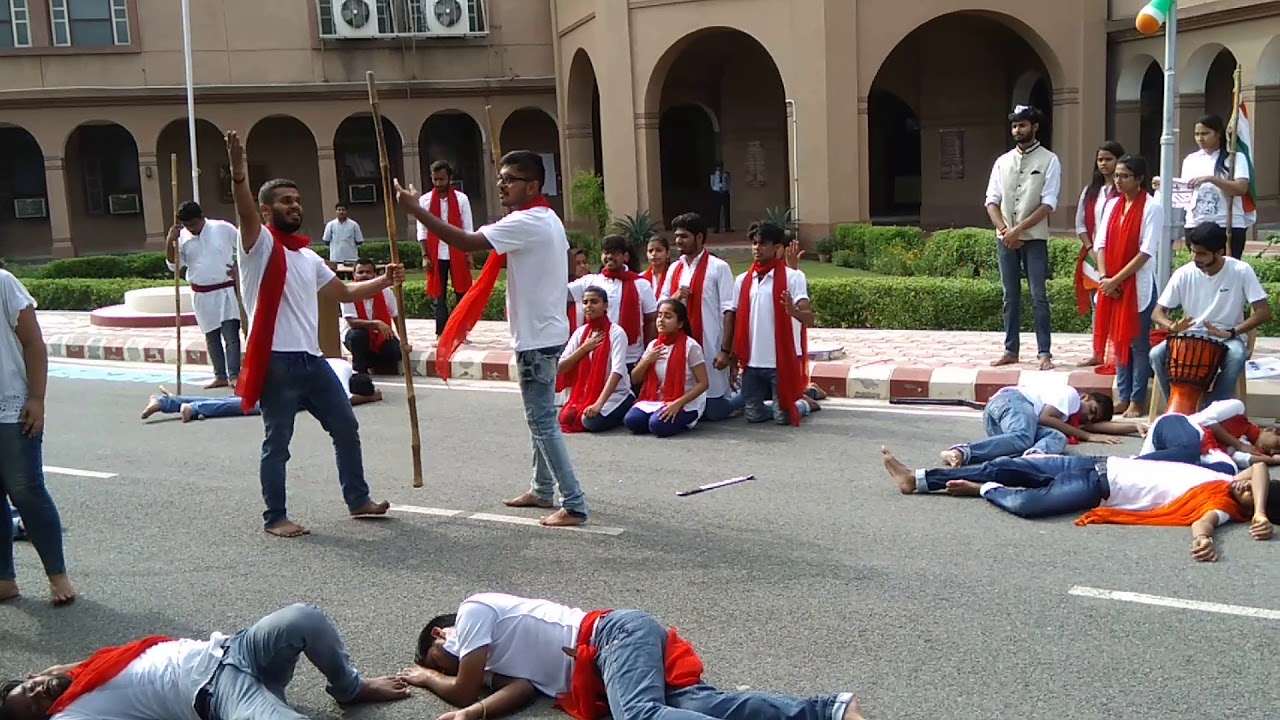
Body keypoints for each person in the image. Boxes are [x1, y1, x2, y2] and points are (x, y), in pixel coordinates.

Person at [393, 150, 589, 528]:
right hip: (545, 330)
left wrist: (415, 209)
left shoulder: (528, 221)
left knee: (542, 421)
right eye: (500, 177)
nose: (502, 184)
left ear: (533, 186)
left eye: (510, 178)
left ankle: (574, 502)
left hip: (537, 336)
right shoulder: (545, 219)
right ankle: (542, 488)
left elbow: (465, 243)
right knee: (540, 418)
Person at [223, 130, 401, 539]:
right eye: (286, 201)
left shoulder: (306, 255)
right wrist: (238, 174)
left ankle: (358, 500)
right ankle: (275, 517)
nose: (295, 206)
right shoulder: (257, 246)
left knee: (346, 427)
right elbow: (244, 210)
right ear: (267, 211)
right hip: (276, 361)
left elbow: (343, 292)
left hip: (311, 360)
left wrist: (385, 282)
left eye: (298, 200)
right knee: (278, 443)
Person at [399, 592, 868, 720]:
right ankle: (830, 709)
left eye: (442, 658)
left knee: (641, 717)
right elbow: (518, 691)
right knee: (699, 707)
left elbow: (459, 687)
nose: (457, 669)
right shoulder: (498, 663)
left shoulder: (473, 611)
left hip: (613, 637)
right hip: (613, 658)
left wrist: (426, 679)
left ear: (442, 634)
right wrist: (475, 713)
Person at [0, 603, 411, 720]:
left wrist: (55, 672)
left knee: (305, 619)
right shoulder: (73, 714)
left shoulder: (82, 673)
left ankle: (349, 687)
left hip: (233, 651)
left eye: (29, 688)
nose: (40, 694)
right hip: (216, 694)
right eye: (35, 706)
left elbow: (54, 676)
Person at [882, 448, 1276, 562]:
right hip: (1095, 464)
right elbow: (1259, 466)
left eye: (1244, 493)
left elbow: (1204, 524)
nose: (1241, 486)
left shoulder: (1223, 504)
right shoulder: (1229, 474)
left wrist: (1203, 541)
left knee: (1028, 505)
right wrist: (1259, 507)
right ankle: (916, 479)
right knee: (1008, 465)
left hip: (1094, 489)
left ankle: (981, 490)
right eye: (1246, 489)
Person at [0, 269, 74, 606]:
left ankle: (57, 576)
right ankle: (4, 579)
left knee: (26, 491)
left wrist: (37, 398)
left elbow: (33, 342)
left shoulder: (3, 282)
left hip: (10, 409)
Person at [1149, 222, 1272, 408]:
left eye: (1201, 254)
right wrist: (1171, 326)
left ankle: (1210, 410)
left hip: (1227, 336)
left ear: (1219, 252)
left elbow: (1264, 312)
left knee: (1237, 356)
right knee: (1156, 354)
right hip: (1191, 336)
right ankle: (1177, 406)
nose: (1195, 257)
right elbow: (1157, 313)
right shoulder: (1184, 273)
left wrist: (1232, 332)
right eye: (1193, 251)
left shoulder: (1240, 270)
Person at [984, 105, 1062, 371]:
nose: (1018, 130)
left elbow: (1048, 203)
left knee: (1038, 295)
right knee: (1010, 295)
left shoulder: (1049, 160)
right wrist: (1006, 231)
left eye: (1023, 125)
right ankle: (1010, 349)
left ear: (1035, 127)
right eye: (1015, 126)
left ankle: (1044, 353)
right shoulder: (1002, 162)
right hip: (1005, 238)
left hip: (1034, 238)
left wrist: (1020, 230)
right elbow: (991, 201)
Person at [727, 222, 819, 426]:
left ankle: (804, 404)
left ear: (777, 248)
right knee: (753, 415)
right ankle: (797, 398)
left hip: (781, 360)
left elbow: (809, 318)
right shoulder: (743, 280)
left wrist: (792, 311)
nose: (756, 248)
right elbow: (734, 317)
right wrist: (732, 355)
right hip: (752, 361)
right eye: (754, 243)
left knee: (783, 418)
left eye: (763, 244)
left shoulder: (793, 277)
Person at [1093, 154, 1162, 418]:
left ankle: (1137, 399)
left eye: (1124, 176)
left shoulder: (1151, 207)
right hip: (1110, 282)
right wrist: (1104, 278)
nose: (1118, 180)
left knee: (1137, 344)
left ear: (1140, 179)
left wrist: (1115, 280)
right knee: (1118, 340)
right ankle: (1122, 396)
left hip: (1136, 285)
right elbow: (1100, 244)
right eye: (1117, 175)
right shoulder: (1111, 205)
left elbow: (1145, 252)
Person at [658, 212, 740, 421]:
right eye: (677, 236)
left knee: (713, 411)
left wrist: (725, 350)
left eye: (684, 236)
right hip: (682, 346)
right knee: (687, 403)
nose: (678, 241)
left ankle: (750, 396)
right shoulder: (675, 268)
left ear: (700, 237)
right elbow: (662, 303)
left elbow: (729, 310)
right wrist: (676, 297)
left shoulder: (718, 267)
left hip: (711, 346)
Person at [141, 358, 382, 422]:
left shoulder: (343, 365)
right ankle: (192, 407)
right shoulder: (340, 380)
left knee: (242, 400)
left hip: (286, 377)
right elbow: (347, 401)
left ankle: (167, 402)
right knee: (248, 406)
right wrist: (372, 397)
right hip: (289, 390)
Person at [939, 385, 1119, 467]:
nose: (1087, 416)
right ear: (1085, 397)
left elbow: (1096, 428)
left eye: (1091, 418)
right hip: (1013, 401)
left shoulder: (1067, 417)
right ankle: (961, 452)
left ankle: (1032, 458)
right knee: (1024, 436)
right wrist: (1086, 436)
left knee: (1056, 437)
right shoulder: (1071, 396)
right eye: (1092, 410)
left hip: (1003, 422)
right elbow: (1045, 417)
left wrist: (1138, 427)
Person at [166, 201, 243, 389]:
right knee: (211, 336)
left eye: (194, 224)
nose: (191, 229)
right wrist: (170, 241)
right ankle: (220, 375)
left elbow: (244, 248)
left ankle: (234, 374)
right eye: (187, 226)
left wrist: (238, 268)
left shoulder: (222, 228)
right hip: (201, 293)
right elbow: (174, 265)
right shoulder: (182, 236)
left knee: (230, 333)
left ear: (202, 217)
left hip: (224, 290)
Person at [568, 234, 659, 389]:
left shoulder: (641, 284)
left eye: (615, 253)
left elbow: (651, 320)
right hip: (598, 355)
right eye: (606, 252)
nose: (609, 256)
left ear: (625, 256)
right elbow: (561, 293)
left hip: (631, 357)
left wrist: (646, 353)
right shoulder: (592, 281)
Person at [625, 298, 710, 437]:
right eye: (659, 315)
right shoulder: (653, 345)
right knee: (632, 421)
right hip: (655, 400)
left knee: (657, 425)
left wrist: (677, 404)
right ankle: (657, 417)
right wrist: (646, 361)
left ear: (680, 323)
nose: (661, 320)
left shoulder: (691, 346)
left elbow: (704, 383)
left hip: (685, 403)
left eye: (668, 316)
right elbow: (634, 379)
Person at [1073, 141, 1124, 366]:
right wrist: (1091, 249)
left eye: (1109, 159)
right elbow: (1080, 224)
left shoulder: (1124, 191)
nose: (1103, 164)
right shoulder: (1090, 191)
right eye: (1100, 159)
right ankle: (1097, 352)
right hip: (1094, 256)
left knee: (1117, 302)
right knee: (1097, 302)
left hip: (1119, 255)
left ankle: (1118, 352)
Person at [557, 287, 633, 433]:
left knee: (589, 422)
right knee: (566, 418)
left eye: (594, 302)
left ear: (605, 306)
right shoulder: (581, 333)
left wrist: (599, 404)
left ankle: (625, 406)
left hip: (614, 394)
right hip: (586, 393)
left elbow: (616, 372)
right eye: (585, 302)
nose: (589, 306)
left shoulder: (616, 333)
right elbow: (561, 367)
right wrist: (584, 349)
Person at [1180, 114, 1255, 259]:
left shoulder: (1234, 158)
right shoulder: (1191, 160)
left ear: (1218, 134)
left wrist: (1212, 179)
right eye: (1197, 134)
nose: (1200, 138)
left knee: (1227, 268)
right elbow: (1185, 190)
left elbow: (1241, 188)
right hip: (1196, 222)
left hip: (1227, 224)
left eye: (1205, 133)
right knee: (1200, 267)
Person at [418, 160, 475, 337]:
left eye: (442, 179)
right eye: (435, 179)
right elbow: (422, 229)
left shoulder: (461, 199)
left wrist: (469, 254)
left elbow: (468, 228)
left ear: (450, 178)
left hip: (457, 250)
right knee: (439, 294)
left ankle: (460, 332)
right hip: (436, 253)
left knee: (462, 292)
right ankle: (441, 333)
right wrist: (425, 255)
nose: (438, 183)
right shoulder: (425, 200)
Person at [340, 258, 404, 375]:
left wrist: (404, 342)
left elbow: (396, 316)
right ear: (354, 275)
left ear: (374, 275)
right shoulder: (348, 292)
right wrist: (376, 323)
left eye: (368, 272)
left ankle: (374, 363)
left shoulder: (386, 291)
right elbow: (352, 322)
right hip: (356, 336)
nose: (364, 275)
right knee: (358, 336)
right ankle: (360, 371)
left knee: (394, 351)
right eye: (360, 272)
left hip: (380, 336)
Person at [640, 235, 671, 299]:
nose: (653, 254)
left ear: (667, 254)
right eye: (650, 251)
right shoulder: (641, 278)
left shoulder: (673, 275)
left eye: (658, 250)